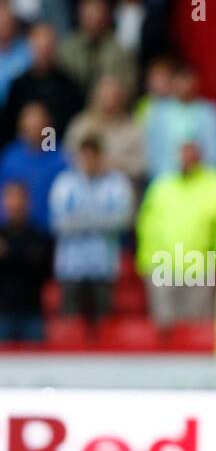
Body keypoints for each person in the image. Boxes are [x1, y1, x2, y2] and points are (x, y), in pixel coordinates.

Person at [136, 138, 216, 329]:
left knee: (197, 328)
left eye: (190, 151)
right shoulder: (162, 186)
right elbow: (147, 225)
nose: (186, 157)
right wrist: (148, 262)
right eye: (182, 152)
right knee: (165, 331)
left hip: (201, 269)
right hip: (163, 269)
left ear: (200, 154)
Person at [48, 133, 132, 333]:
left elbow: (122, 221)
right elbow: (58, 223)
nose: (89, 161)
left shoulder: (116, 183)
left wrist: (80, 220)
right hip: (71, 265)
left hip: (103, 265)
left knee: (104, 324)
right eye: (84, 156)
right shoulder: (64, 183)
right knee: (69, 325)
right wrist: (99, 220)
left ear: (101, 157)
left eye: (93, 156)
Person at [1, 23, 83, 141]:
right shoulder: (18, 86)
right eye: (39, 47)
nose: (44, 53)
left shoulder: (69, 86)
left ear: (55, 48)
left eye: (48, 47)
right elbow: (9, 126)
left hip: (58, 149)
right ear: (30, 47)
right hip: (24, 150)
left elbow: (72, 126)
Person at [143, 61, 216, 178]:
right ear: (173, 82)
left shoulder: (210, 113)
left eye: (188, 79)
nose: (185, 85)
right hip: (167, 181)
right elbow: (154, 155)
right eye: (181, 79)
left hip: (202, 180)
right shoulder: (159, 114)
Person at [0, 100, 66, 232]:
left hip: (49, 231)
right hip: (13, 231)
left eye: (39, 126)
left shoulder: (59, 159)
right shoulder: (11, 157)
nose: (34, 132)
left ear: (48, 126)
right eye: (29, 128)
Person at [66, 73, 146, 180]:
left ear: (122, 100)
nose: (109, 102)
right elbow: (67, 156)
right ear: (95, 97)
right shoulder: (81, 124)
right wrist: (89, 163)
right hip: (83, 187)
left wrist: (114, 164)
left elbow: (142, 166)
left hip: (121, 190)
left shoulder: (133, 128)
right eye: (104, 97)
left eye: (114, 97)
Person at [0, 180, 51, 342]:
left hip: (32, 311)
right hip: (3, 311)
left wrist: (10, 255)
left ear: (28, 202)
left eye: (19, 197)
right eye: (11, 197)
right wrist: (25, 255)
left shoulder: (39, 235)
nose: (15, 203)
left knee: (37, 364)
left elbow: (45, 271)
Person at [58, 0, 135, 97]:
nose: (94, 20)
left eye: (98, 13)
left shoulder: (121, 49)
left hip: (112, 108)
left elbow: (129, 86)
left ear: (107, 15)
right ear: (80, 15)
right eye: (89, 15)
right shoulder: (67, 48)